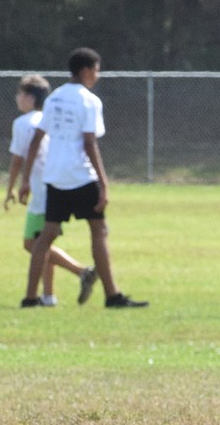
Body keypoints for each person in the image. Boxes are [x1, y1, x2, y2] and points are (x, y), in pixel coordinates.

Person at [18, 47, 148, 310]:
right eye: (97, 70)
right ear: (87, 70)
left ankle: (30, 298)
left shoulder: (54, 98)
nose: (97, 75)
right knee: (98, 229)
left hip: (54, 175)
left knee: (47, 234)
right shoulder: (89, 101)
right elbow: (89, 144)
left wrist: (24, 181)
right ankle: (113, 296)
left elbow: (35, 142)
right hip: (79, 174)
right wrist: (103, 182)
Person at [4, 74, 98, 306]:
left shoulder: (23, 123)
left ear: (29, 97)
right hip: (55, 184)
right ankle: (48, 295)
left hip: (41, 190)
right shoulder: (49, 118)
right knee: (42, 240)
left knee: (33, 243)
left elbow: (18, 159)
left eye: (19, 94)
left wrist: (12, 188)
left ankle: (81, 271)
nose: (17, 98)